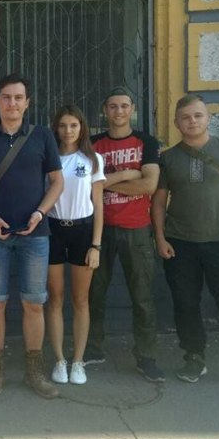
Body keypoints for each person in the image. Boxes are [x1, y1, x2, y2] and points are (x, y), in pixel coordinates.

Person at [0, 74, 63, 399]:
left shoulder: (42, 136)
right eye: (6, 97)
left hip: (35, 234)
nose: (12, 103)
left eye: (18, 97)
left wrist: (40, 213)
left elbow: (57, 181)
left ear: (27, 102)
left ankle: (34, 371)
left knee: (33, 303)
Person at [152, 95, 219, 386]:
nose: (192, 121)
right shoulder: (169, 158)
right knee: (185, 303)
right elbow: (159, 202)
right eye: (185, 117)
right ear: (176, 123)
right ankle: (194, 357)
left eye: (198, 115)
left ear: (208, 118)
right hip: (179, 243)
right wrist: (160, 237)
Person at [88, 89, 165, 382]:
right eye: (112, 106)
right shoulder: (93, 143)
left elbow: (149, 186)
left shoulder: (147, 142)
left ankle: (147, 356)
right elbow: (85, 186)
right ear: (104, 110)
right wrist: (125, 175)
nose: (118, 111)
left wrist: (104, 183)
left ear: (132, 109)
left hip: (137, 229)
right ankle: (92, 348)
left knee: (142, 297)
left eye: (123, 106)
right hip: (99, 229)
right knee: (94, 294)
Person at [45, 105, 105, 385]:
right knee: (55, 298)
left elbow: (99, 205)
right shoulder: (48, 158)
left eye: (74, 125)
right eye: (63, 125)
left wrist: (96, 245)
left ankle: (78, 361)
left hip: (83, 231)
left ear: (82, 128)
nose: (68, 131)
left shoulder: (92, 159)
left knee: (80, 299)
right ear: (55, 128)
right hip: (53, 230)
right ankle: (60, 360)